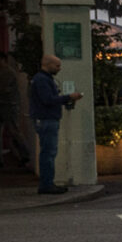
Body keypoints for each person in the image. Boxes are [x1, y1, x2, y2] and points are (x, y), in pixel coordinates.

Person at [28, 53, 81, 194]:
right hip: (46, 119)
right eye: (57, 65)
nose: (59, 68)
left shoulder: (42, 79)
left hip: (45, 118)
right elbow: (48, 99)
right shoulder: (42, 80)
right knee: (48, 153)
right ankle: (46, 185)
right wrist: (68, 97)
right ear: (47, 64)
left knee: (48, 152)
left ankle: (47, 183)